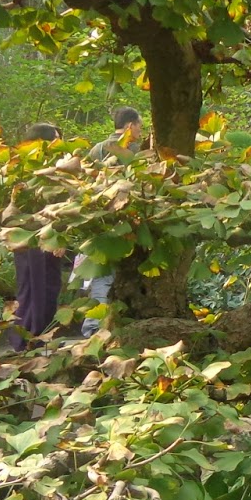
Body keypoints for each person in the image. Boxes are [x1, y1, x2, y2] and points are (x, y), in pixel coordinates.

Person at [80, 106, 147, 336]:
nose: (141, 131)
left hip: (100, 219)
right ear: (130, 125)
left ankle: (93, 327)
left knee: (102, 273)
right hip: (131, 221)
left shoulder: (97, 149)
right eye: (139, 126)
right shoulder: (136, 150)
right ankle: (121, 326)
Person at [8, 122, 65, 348]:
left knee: (39, 288)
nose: (59, 143)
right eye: (56, 138)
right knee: (38, 288)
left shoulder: (25, 167)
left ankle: (31, 339)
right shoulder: (32, 170)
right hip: (36, 237)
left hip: (31, 237)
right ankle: (32, 340)